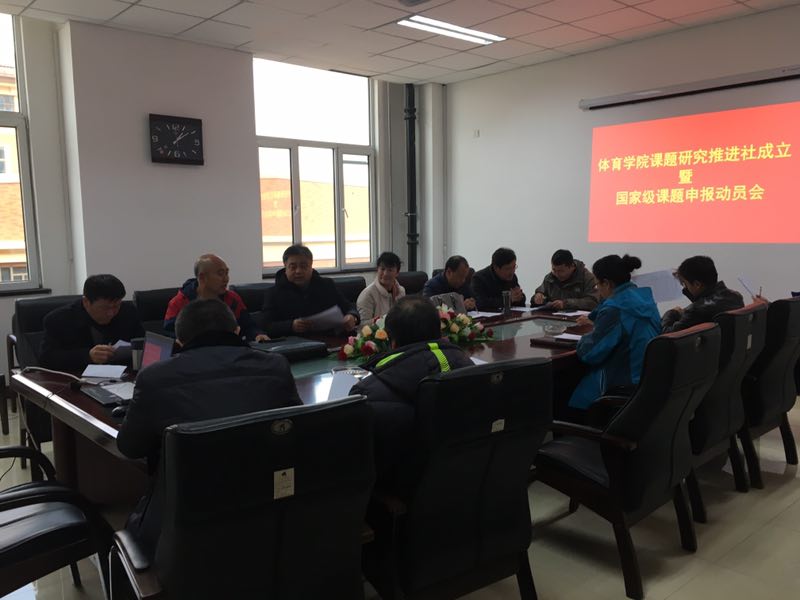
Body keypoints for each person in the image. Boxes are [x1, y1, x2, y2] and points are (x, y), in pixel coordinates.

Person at [117, 298, 301, 557]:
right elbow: (295, 429)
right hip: (266, 510)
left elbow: (130, 446)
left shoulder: (154, 376)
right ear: (237, 331)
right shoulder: (276, 365)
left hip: (184, 525)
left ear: (179, 341)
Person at [350, 296, 472, 490]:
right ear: (440, 332)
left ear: (392, 342)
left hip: (405, 493)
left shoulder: (367, 394)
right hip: (471, 482)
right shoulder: (473, 371)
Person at [568, 255, 661, 411]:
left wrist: (584, 339)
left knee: (564, 389)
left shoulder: (615, 310)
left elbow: (590, 353)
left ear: (607, 283)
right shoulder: (644, 299)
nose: (597, 289)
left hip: (623, 385)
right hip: (647, 380)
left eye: (597, 284)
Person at [40, 274, 144, 372]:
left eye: (116, 306)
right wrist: (88, 356)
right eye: (105, 308)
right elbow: (47, 359)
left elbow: (143, 345)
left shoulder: (128, 312)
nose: (111, 313)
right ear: (86, 302)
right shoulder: (58, 320)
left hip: (123, 376)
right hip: (77, 378)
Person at [164, 253, 267, 341]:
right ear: (202, 277)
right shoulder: (180, 302)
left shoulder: (232, 299)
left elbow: (248, 326)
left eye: (227, 273)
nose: (226, 279)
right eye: (220, 274)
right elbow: (169, 333)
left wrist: (258, 335)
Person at [262, 244, 360, 337]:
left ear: (311, 267)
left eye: (303, 266)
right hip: (295, 343)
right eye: (293, 267)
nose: (298, 271)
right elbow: (266, 326)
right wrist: (291, 326)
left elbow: (349, 306)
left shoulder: (326, 285)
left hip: (329, 339)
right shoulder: (273, 293)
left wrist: (352, 316)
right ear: (285, 268)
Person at [661, 256, 744, 333]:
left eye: (685, 284)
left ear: (697, 284)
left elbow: (668, 333)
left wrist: (672, 313)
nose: (685, 287)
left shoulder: (696, 311)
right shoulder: (735, 297)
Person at [533, 249, 600, 311]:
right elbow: (540, 292)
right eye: (554, 270)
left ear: (572, 267)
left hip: (580, 318)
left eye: (561, 271)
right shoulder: (550, 278)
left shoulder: (587, 278)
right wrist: (537, 297)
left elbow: (592, 302)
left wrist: (566, 303)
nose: (557, 274)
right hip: (552, 317)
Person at [357, 251, 406, 321]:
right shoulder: (368, 294)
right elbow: (362, 324)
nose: (385, 274)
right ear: (377, 270)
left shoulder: (401, 291)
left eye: (390, 270)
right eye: (382, 269)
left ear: (397, 273)